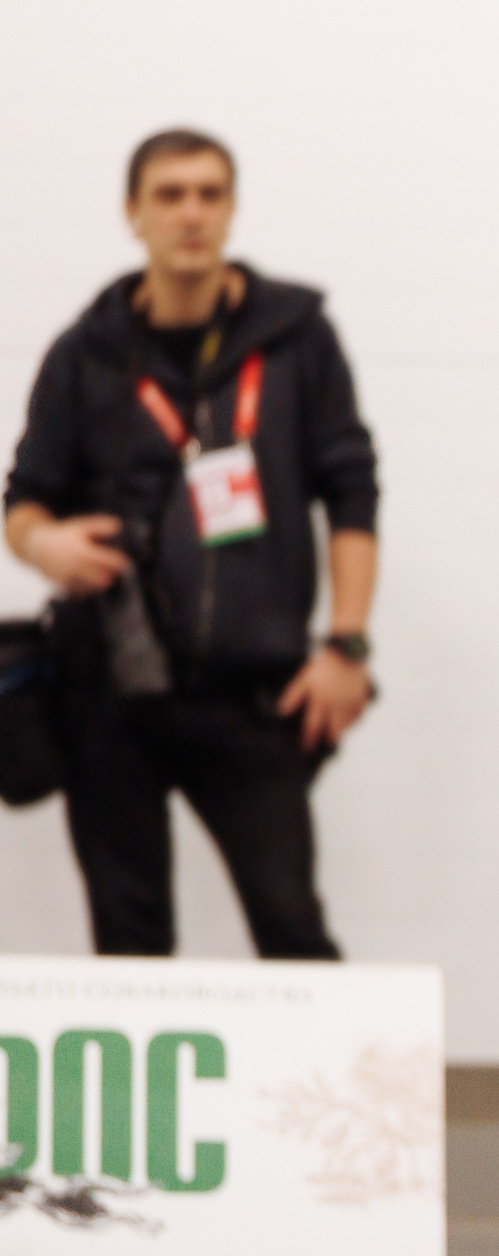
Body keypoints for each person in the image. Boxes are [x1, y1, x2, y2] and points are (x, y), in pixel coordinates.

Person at [3, 130, 379, 960]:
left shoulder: (297, 340)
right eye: (170, 195)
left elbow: (352, 490)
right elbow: (22, 501)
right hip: (108, 688)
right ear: (133, 213)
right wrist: (43, 546)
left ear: (233, 209)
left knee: (290, 925)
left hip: (255, 693)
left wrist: (346, 644)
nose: (191, 213)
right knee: (129, 941)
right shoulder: (86, 351)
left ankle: (321, 1093)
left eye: (210, 194)